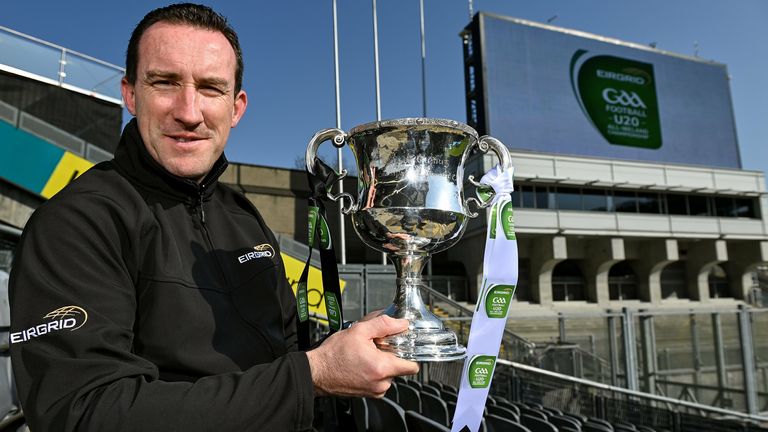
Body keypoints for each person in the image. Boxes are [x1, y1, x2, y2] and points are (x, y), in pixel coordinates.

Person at [8, 3, 419, 431]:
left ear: (236, 107)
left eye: (210, 88)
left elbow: (286, 352)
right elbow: (84, 414)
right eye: (165, 82)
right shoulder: (76, 223)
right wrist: (312, 375)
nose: (188, 111)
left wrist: (345, 347)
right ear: (130, 94)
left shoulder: (243, 217)